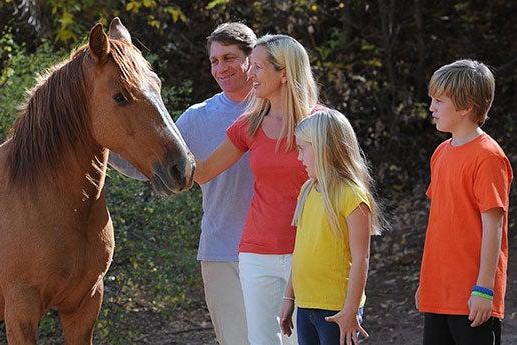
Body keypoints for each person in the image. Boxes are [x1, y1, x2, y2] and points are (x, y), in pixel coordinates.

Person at [108, 22, 256, 345]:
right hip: (220, 254)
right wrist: (99, 145)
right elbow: (152, 165)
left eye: (229, 58)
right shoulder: (198, 117)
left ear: (252, 58)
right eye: (215, 61)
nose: (221, 68)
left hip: (280, 250)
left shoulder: (278, 109)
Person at [195, 34, 320, 345]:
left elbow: (346, 190)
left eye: (259, 67)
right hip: (255, 252)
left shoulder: (322, 124)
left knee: (299, 341)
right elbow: (203, 172)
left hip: (306, 251)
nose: (250, 73)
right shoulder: (248, 124)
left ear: (285, 73)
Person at [415, 59, 512, 345]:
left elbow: (494, 226)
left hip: (473, 298)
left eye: (439, 100)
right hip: (438, 294)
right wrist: (427, 282)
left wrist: (484, 289)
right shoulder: (440, 153)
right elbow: (441, 224)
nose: (431, 107)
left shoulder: (488, 157)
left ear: (466, 106)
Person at [279, 109, 385, 345]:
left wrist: (349, 311)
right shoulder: (307, 191)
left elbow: (361, 259)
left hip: (337, 310)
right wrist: (289, 297)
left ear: (324, 150)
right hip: (306, 306)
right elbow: (301, 249)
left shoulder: (352, 196)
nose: (299, 158)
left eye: (302, 149)